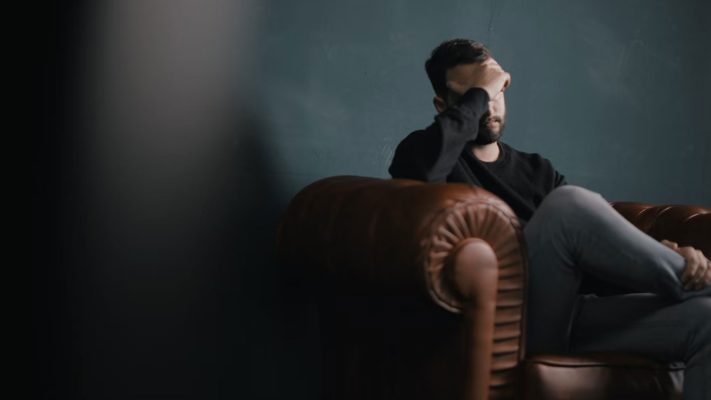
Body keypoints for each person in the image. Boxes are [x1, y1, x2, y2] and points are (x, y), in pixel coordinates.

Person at [389, 38, 711, 399]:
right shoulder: (422, 152)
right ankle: (687, 279)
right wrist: (482, 89)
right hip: (509, 324)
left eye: (498, 91)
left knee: (706, 318)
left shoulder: (537, 170)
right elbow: (419, 177)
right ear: (443, 105)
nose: (490, 105)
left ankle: (687, 280)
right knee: (568, 204)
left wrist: (658, 254)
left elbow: (591, 254)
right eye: (478, 94)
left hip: (571, 316)